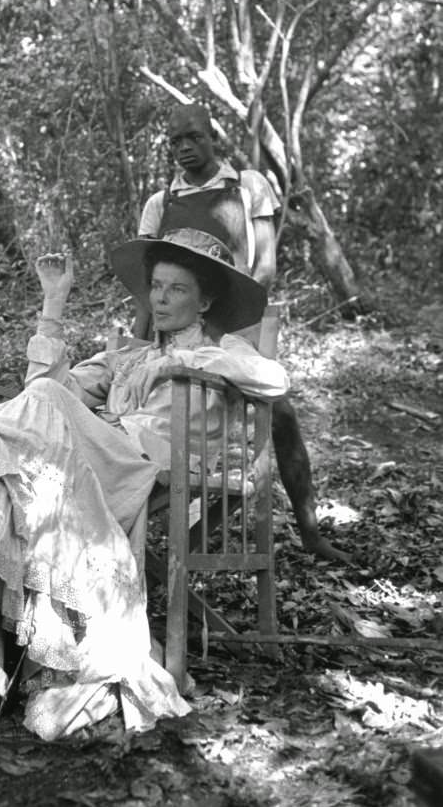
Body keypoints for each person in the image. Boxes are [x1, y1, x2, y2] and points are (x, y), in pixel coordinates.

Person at [0, 228, 289, 740]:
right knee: (42, 408)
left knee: (41, 412)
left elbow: (275, 381)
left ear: (205, 299)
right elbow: (42, 393)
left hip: (148, 463)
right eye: (156, 286)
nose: (159, 298)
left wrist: (176, 363)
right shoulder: (127, 358)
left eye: (176, 289)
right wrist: (54, 301)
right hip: (98, 459)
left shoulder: (221, 353)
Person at [135, 104, 350, 564]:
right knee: (145, 399)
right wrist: (141, 346)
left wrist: (226, 325)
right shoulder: (161, 203)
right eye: (175, 142)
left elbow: (265, 266)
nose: (185, 149)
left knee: (282, 416)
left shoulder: (248, 185)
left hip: (236, 322)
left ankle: (311, 533)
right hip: (180, 329)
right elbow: (148, 284)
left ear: (212, 136)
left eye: (193, 137)